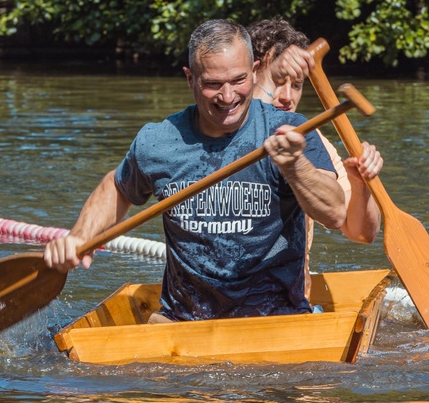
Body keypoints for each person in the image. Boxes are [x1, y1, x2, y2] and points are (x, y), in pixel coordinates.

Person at [44, 19, 346, 321]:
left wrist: (295, 167)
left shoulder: (290, 129)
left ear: (255, 73)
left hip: (274, 318)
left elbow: (334, 213)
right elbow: (118, 187)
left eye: (238, 81)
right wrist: (80, 236)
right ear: (190, 79)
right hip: (184, 322)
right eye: (213, 84)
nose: (227, 97)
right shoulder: (158, 141)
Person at [247, 18, 383, 250]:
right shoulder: (213, 129)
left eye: (297, 85)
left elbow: (362, 234)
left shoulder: (312, 141)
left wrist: (360, 185)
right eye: (278, 80)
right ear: (248, 75)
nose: (288, 97)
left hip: (291, 285)